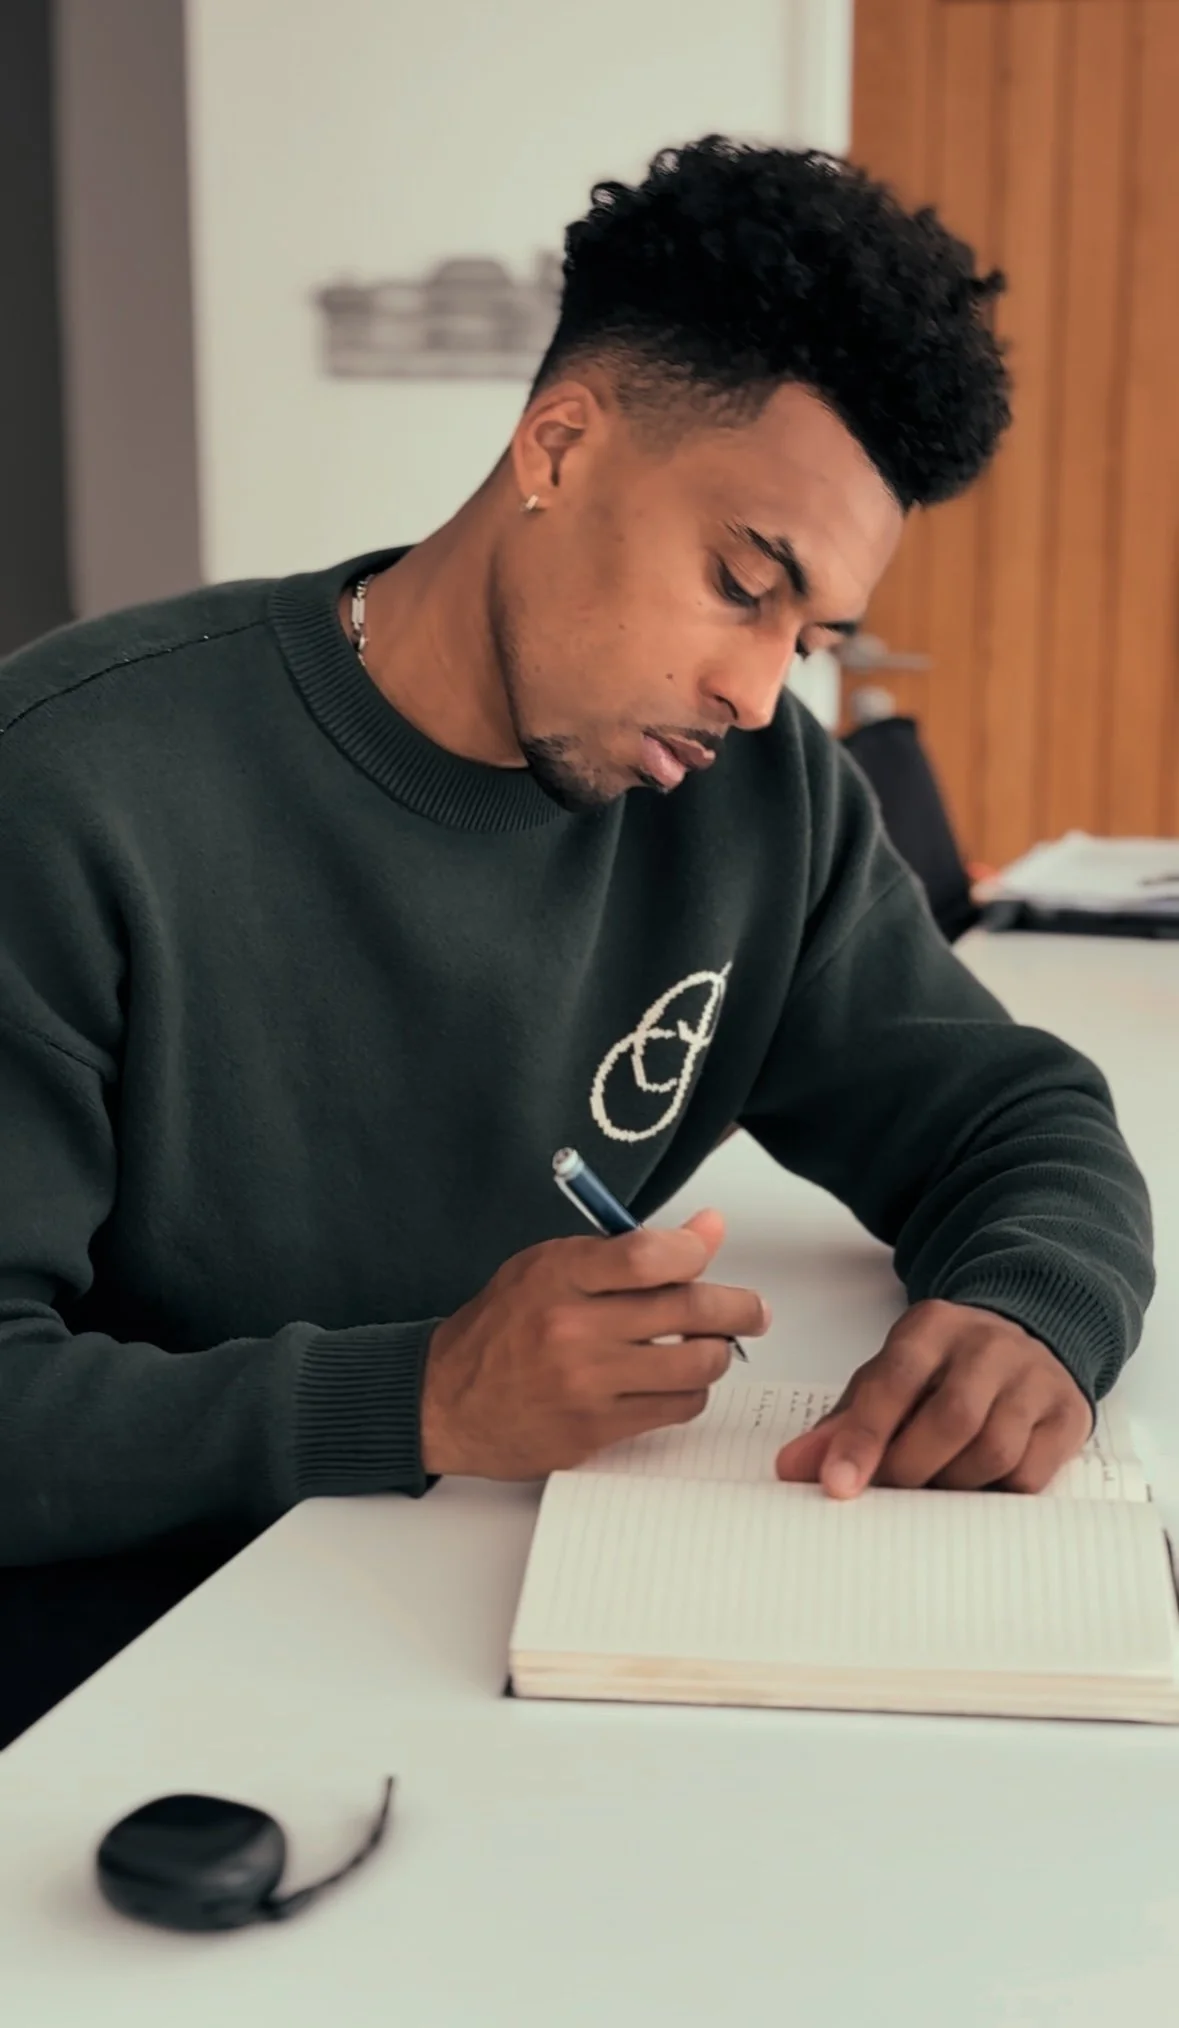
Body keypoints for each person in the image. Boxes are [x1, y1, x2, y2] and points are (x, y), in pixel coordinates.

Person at [0, 138, 1153, 1742]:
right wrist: (418, 1396)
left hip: (524, 1642)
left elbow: (1010, 1112)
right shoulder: (67, 790)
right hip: (150, 1684)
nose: (761, 691)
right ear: (558, 444)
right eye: (743, 585)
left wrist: (1033, 1308)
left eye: (811, 637)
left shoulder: (761, 803)